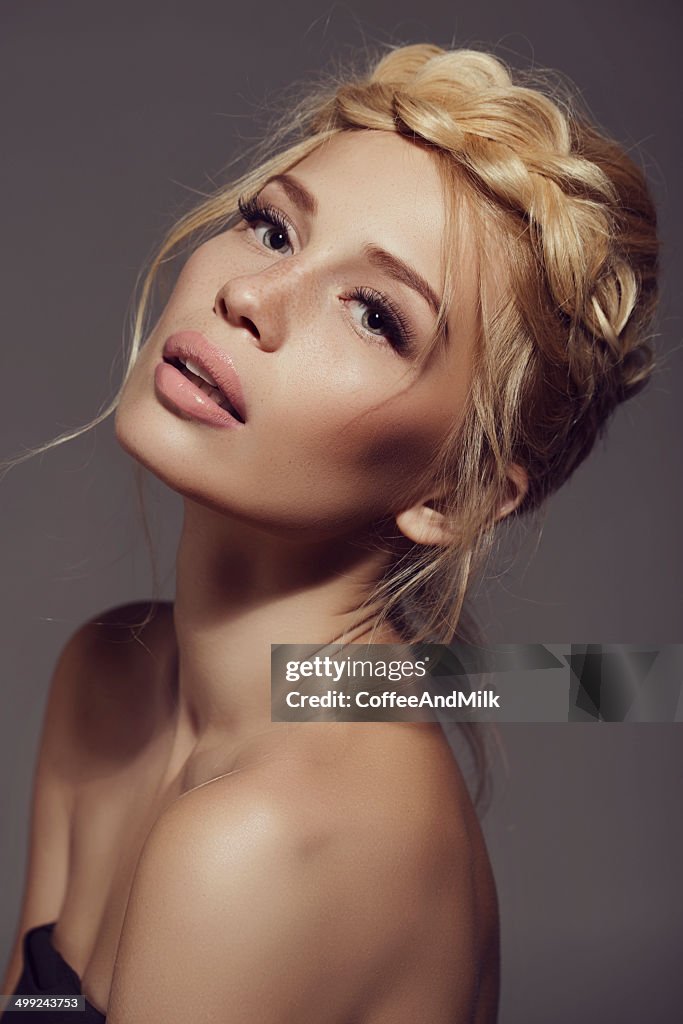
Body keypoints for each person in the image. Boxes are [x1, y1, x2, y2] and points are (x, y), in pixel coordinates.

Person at [0, 41, 658, 1024]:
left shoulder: (265, 835)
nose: (249, 297)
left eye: (373, 314)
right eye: (270, 229)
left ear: (455, 494)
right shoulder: (106, 677)